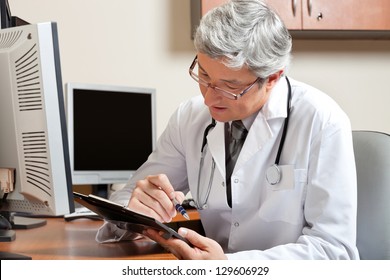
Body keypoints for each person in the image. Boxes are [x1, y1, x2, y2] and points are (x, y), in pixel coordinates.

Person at [97, 0, 359, 260]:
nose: (209, 99)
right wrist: (134, 213)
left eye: (230, 86)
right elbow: (124, 201)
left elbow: (334, 250)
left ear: (272, 78)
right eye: (204, 75)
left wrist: (228, 266)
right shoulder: (190, 117)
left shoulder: (322, 121)